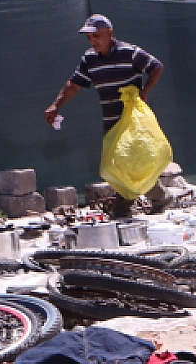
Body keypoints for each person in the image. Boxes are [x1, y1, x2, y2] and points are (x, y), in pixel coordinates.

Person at [44, 15, 164, 221]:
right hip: (110, 120)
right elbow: (74, 84)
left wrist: (145, 92)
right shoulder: (89, 59)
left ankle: (123, 208)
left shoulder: (130, 52)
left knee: (125, 162)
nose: (93, 41)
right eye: (89, 38)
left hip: (132, 121)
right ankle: (159, 196)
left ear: (110, 33)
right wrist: (56, 104)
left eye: (97, 36)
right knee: (119, 164)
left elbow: (156, 67)